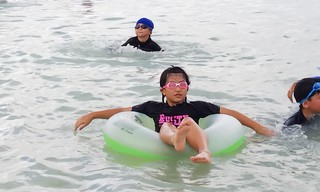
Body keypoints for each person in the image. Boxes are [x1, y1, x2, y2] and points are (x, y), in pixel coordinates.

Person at [74, 66, 275, 163]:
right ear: (163, 90)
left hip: (190, 133)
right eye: (172, 85)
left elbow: (229, 113)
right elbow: (121, 112)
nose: (177, 89)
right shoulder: (152, 107)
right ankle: (176, 138)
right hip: (167, 135)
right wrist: (93, 114)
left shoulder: (197, 107)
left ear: (187, 88)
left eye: (182, 85)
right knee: (166, 126)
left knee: (188, 123)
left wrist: (258, 128)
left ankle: (203, 150)